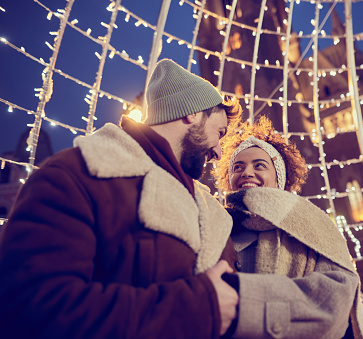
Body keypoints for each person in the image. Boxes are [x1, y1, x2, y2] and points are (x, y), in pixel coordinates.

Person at [0, 59, 242, 338]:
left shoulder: (210, 209)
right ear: (192, 113)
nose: (219, 153)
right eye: (219, 132)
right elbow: (30, 309)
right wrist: (196, 308)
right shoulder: (79, 174)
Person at [214, 117, 363, 338]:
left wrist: (244, 298)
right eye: (238, 167)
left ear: (279, 178)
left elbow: (335, 296)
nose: (246, 173)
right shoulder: (218, 225)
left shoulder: (313, 222)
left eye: (259, 165)